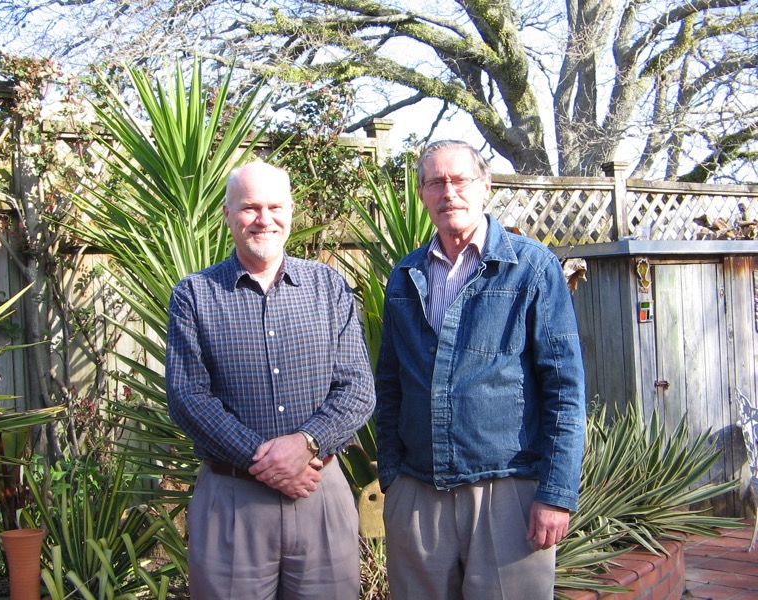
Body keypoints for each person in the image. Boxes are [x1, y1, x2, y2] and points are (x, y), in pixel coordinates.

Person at [375, 140, 586, 599]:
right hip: (418, 493)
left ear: (485, 185)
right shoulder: (405, 276)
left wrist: (556, 493)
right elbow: (389, 383)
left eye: (460, 180)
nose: (449, 192)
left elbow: (565, 389)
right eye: (436, 182)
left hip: (507, 492)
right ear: (422, 193)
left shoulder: (531, 268)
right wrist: (393, 478)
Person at [166, 161, 375, 599]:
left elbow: (357, 388)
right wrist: (265, 462)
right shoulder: (194, 294)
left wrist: (306, 444)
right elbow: (187, 396)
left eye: (275, 207)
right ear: (228, 214)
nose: (264, 219)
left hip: (319, 491)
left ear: (291, 212)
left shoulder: (328, 287)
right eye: (250, 207)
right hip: (233, 499)